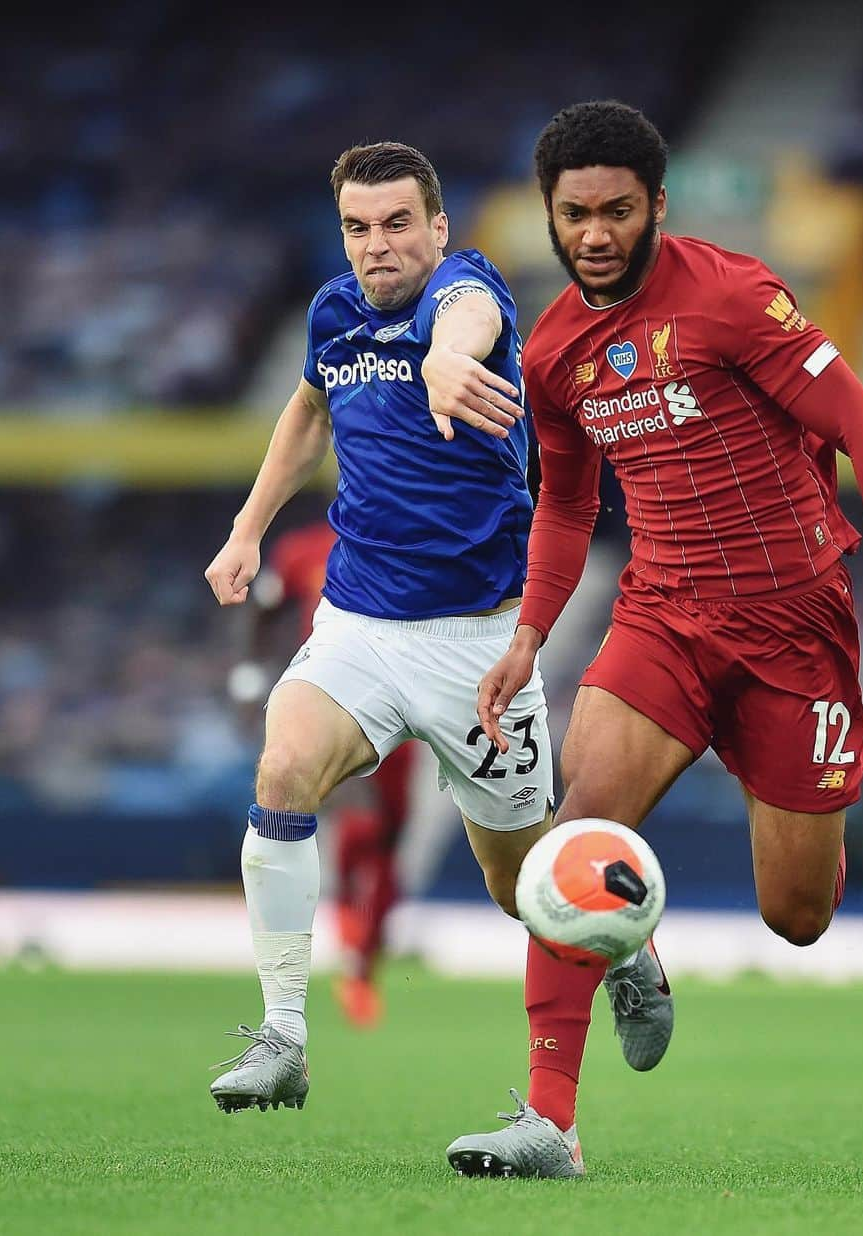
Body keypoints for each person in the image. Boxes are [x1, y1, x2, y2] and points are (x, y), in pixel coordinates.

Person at [446, 101, 863, 1178]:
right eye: (573, 215)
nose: (594, 234)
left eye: (615, 210)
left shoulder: (736, 296)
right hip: (664, 615)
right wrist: (530, 635)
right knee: (573, 838)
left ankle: (674, 907)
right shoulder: (556, 350)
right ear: (550, 220)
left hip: (796, 626)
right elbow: (565, 506)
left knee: (796, 916)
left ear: (657, 205)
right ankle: (550, 1121)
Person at [204, 141, 558, 1113]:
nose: (377, 245)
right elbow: (307, 411)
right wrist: (246, 532)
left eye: (398, 223)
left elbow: (467, 316)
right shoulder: (333, 314)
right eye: (358, 227)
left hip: (478, 642)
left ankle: (622, 944)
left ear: (437, 228)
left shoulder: (469, 286)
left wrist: (448, 359)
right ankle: (282, 1036)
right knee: (281, 774)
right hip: (360, 623)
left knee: (521, 883)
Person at [228, 518, 419, 1028]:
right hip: (333, 701)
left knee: (389, 839)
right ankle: (345, 962)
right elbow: (266, 610)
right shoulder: (303, 548)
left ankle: (366, 951)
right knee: (354, 827)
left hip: (410, 704)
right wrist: (249, 678)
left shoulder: (412, 530)